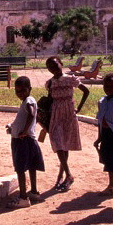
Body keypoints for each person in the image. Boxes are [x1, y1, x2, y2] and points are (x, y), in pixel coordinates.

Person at [45, 56, 89, 192]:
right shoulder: (50, 83)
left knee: (65, 146)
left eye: (55, 65)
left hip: (69, 114)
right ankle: (69, 175)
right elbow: (49, 100)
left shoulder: (70, 79)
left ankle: (61, 175)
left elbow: (86, 91)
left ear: (61, 64)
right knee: (58, 144)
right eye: (50, 67)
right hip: (56, 115)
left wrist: (79, 108)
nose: (53, 69)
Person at [5, 76, 45, 208]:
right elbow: (30, 116)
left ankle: (23, 198)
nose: (20, 93)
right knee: (32, 166)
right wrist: (12, 127)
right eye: (17, 91)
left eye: (23, 90)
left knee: (20, 168)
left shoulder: (29, 100)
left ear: (30, 89)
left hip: (22, 140)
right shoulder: (27, 101)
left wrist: (24, 131)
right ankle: (33, 192)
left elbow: (32, 114)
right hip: (28, 139)